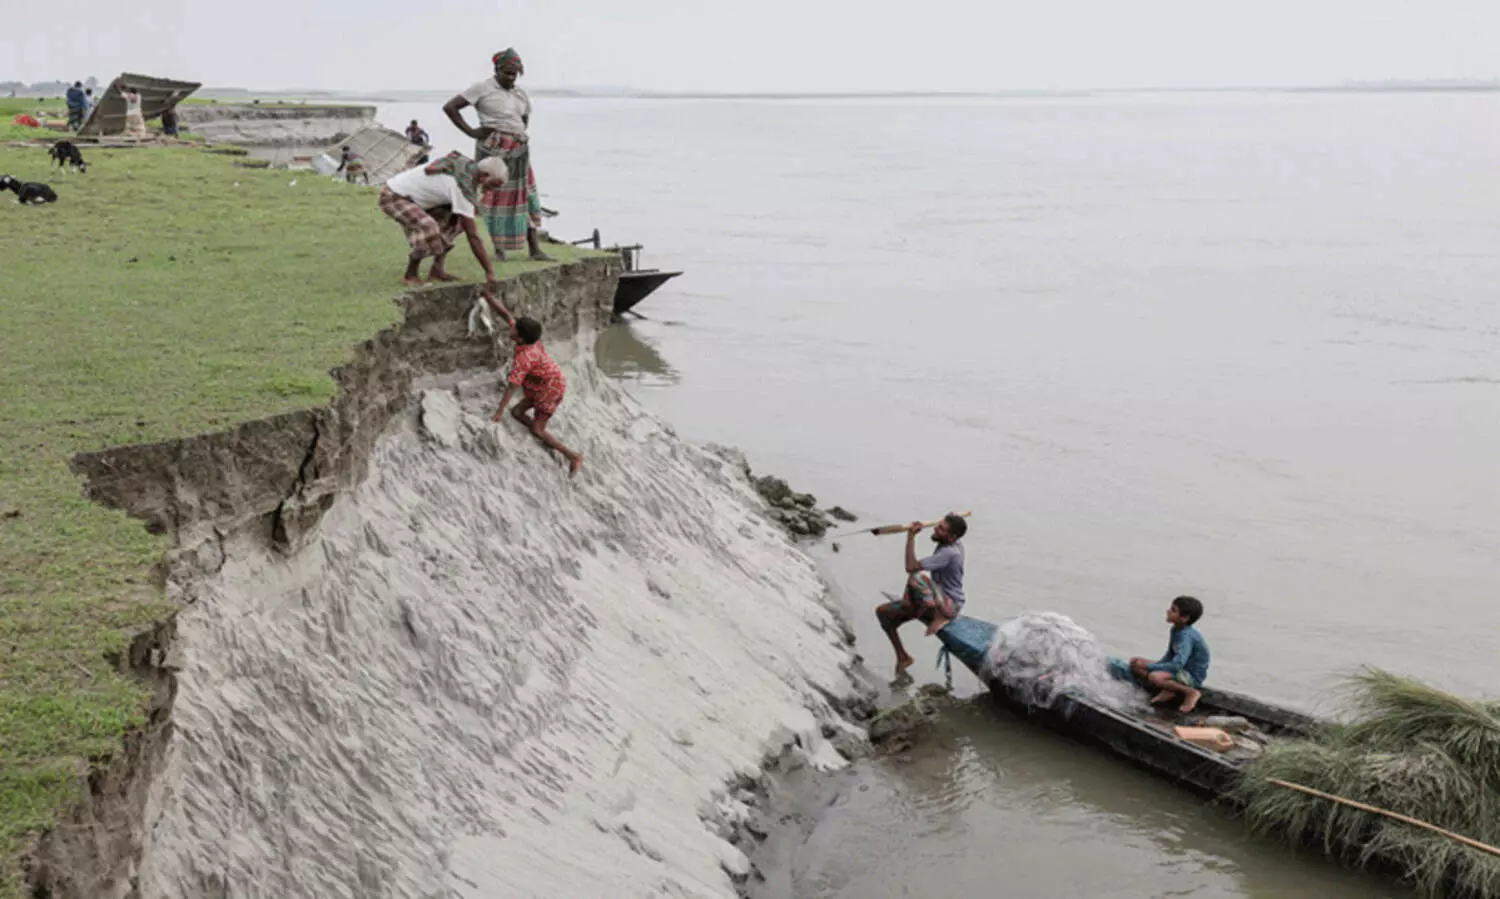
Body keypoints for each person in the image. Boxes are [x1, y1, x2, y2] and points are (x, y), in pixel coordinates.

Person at [442, 48, 553, 262]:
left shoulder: (520, 93)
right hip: (494, 148)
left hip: (519, 150)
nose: (511, 78)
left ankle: (535, 249)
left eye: (515, 74)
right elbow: (451, 107)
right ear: (497, 69)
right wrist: (472, 132)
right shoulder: (482, 89)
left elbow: (524, 120)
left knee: (526, 196)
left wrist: (516, 135)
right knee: (496, 198)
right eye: (508, 73)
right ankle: (499, 250)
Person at [378, 153, 506, 288]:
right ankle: (410, 275)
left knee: (457, 223)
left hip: (421, 200)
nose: (492, 191)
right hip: (394, 196)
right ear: (484, 176)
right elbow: (473, 236)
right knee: (428, 228)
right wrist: (489, 272)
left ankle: (437, 269)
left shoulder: (469, 171)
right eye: (493, 185)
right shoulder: (461, 186)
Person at [875, 513, 968, 676]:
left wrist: (911, 537)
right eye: (938, 525)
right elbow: (954, 527)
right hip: (936, 597)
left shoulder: (950, 553)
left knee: (916, 577)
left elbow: (911, 567)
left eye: (941, 529)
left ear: (952, 537)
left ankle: (939, 616)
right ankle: (903, 657)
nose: (935, 529)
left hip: (950, 605)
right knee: (883, 613)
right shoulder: (951, 541)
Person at [492, 316, 584, 476]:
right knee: (516, 412)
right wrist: (489, 297)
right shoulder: (530, 340)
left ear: (519, 337)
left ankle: (573, 456)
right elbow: (507, 315)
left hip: (549, 391)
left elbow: (511, 387)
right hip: (543, 383)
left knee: (537, 430)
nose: (510, 327)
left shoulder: (524, 359)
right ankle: (540, 431)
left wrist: (498, 413)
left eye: (514, 328)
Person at [1122, 596, 1211, 714]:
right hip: (1179, 669)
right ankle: (1169, 689)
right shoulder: (1176, 629)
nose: (1168, 611)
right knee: (1135, 662)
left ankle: (1190, 692)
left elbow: (1177, 664)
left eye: (1173, 610)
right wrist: (1155, 665)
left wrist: (1150, 667)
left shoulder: (1186, 636)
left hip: (1190, 675)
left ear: (1184, 618)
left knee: (1155, 677)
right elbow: (1170, 655)